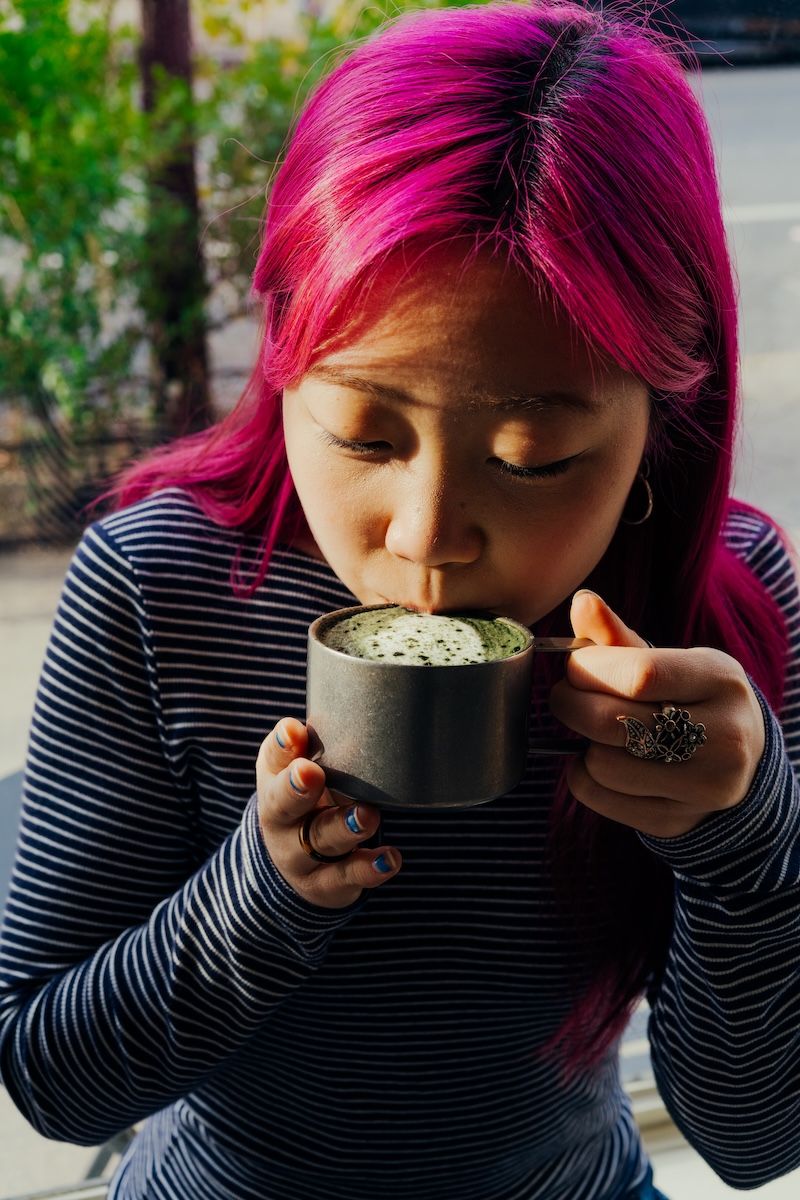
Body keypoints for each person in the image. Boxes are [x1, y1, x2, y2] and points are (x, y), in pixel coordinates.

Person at [1, 2, 798, 1197]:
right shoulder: (160, 589)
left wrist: (741, 832)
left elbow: (748, 1143)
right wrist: (259, 895)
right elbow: (52, 1082)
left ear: (659, 427)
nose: (427, 542)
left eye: (532, 460)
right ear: (281, 372)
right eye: (365, 437)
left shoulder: (711, 612)